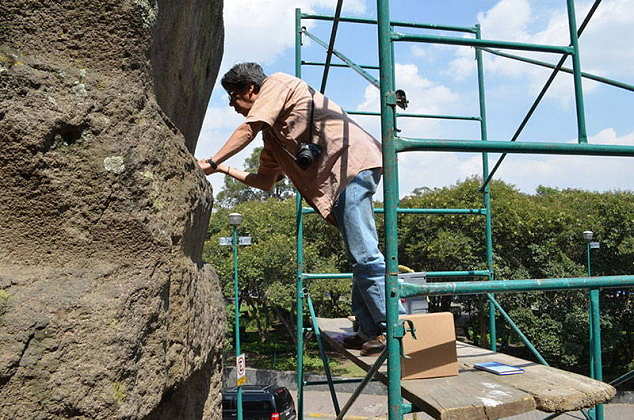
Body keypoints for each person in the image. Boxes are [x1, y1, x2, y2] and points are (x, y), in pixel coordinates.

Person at [198, 62, 393, 355]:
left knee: (365, 254)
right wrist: (224, 169)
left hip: (351, 165)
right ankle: (367, 329)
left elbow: (248, 128)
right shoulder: (273, 137)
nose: (232, 106)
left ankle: (390, 329)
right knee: (358, 255)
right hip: (335, 184)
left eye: (233, 98)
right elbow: (265, 181)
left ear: (250, 90)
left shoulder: (278, 82)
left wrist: (211, 161)